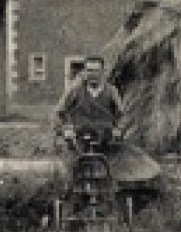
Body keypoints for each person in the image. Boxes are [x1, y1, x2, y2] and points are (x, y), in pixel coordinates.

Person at [52, 57, 160, 192]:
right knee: (73, 172)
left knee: (115, 169)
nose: (92, 74)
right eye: (89, 70)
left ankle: (112, 195)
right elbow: (59, 112)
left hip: (105, 139)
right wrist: (66, 130)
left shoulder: (111, 91)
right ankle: (73, 194)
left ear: (102, 72)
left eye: (96, 71)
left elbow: (122, 115)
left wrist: (118, 129)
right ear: (85, 72)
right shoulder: (75, 90)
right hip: (79, 138)